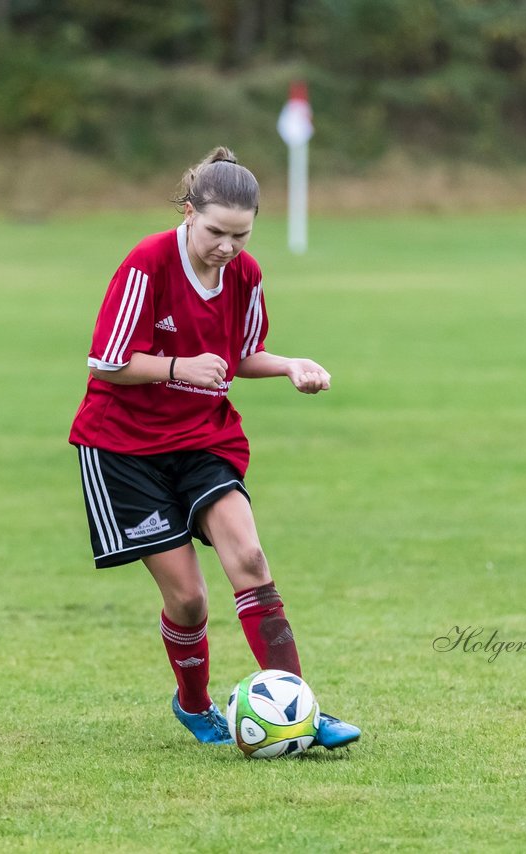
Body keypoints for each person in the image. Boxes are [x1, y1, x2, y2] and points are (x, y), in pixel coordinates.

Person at [68, 147, 360, 748]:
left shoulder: (245, 275)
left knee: (250, 562)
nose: (227, 247)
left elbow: (239, 355)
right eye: (215, 232)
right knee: (191, 599)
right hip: (124, 449)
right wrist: (178, 365)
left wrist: (290, 366)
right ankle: (195, 705)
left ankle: (298, 705)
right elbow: (107, 363)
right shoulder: (148, 262)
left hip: (203, 437)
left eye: (242, 235)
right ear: (187, 213)